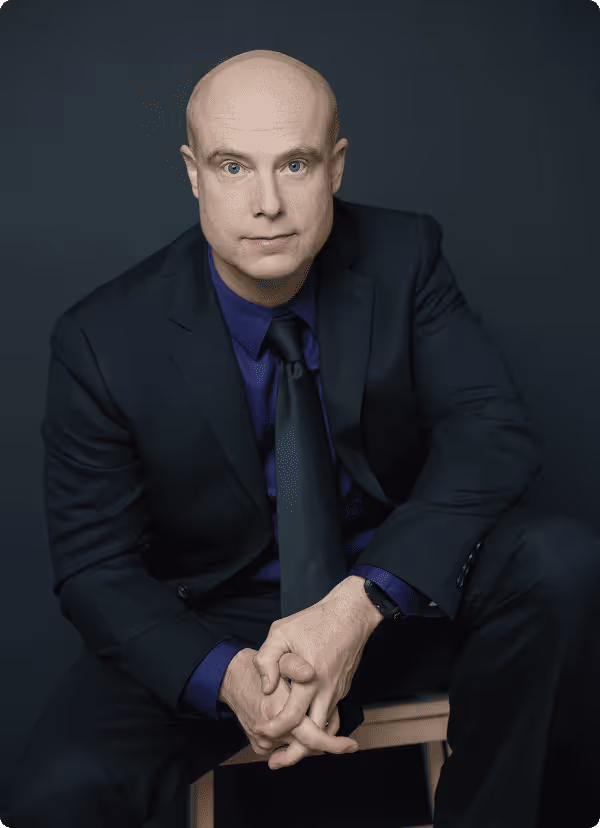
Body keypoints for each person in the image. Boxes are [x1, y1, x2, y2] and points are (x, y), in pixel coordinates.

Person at [6, 48, 600, 828]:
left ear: (337, 166)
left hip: (390, 592)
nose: (266, 203)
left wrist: (358, 606)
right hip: (216, 618)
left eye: (294, 163)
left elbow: (492, 433)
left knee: (559, 560)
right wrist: (225, 677)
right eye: (231, 166)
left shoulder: (405, 256)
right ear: (191, 172)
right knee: (53, 799)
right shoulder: (101, 338)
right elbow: (93, 567)